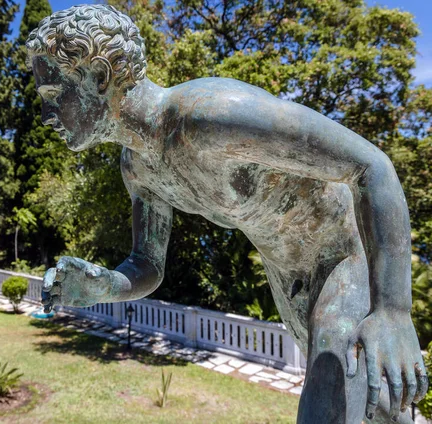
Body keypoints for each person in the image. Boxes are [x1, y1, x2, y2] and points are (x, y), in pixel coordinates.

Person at [27, 5, 427, 423]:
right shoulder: (138, 169)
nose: (46, 115)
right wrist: (104, 286)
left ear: (99, 76)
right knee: (377, 406)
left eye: (54, 95)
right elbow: (147, 264)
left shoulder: (205, 116)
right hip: (287, 278)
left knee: (326, 410)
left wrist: (393, 311)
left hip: (346, 261)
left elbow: (372, 167)